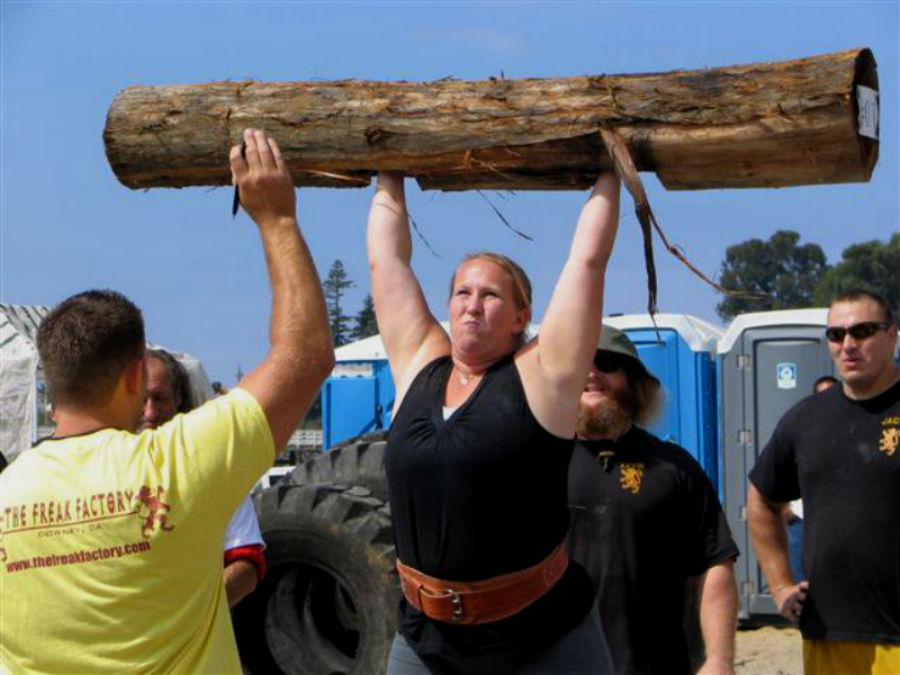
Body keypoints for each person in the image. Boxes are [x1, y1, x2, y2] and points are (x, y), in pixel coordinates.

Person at [0, 129, 334, 675]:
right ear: (135, 376)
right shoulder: (176, 465)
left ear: (50, 384)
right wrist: (276, 220)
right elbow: (306, 354)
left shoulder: (5, 494)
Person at [368, 169, 620, 675]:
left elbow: (587, 261)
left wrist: (610, 168)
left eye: (490, 295)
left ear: (521, 314)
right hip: (426, 636)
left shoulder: (544, 374)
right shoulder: (419, 361)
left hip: (542, 636)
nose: (472, 305)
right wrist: (388, 171)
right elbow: (386, 260)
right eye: (463, 293)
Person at [568, 324, 739, 675]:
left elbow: (713, 564)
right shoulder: (534, 463)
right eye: (580, 360)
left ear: (632, 381)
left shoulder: (674, 466)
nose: (591, 372)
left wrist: (720, 659)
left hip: (659, 664)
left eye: (605, 362)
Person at [748, 289, 900, 675]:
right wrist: (781, 586)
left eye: (863, 331)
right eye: (836, 334)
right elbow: (762, 500)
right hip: (829, 630)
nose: (848, 344)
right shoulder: (805, 419)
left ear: (892, 335)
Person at [140, 348, 265, 607]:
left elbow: (246, 564)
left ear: (178, 398)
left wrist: (186, 614)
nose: (150, 413)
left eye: (159, 398)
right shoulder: (92, 464)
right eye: (141, 400)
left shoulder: (214, 466)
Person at [783, 374, 840, 584]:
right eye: (821, 394)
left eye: (832, 393)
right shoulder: (800, 430)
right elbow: (774, 476)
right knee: (803, 590)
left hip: (841, 526)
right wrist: (784, 509)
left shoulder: (857, 428)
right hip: (803, 523)